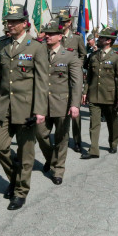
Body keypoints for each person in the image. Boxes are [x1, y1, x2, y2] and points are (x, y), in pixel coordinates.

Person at [0, 1, 48, 211]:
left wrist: (40, 110)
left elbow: (42, 81)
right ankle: (14, 178)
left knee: (26, 154)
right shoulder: (4, 44)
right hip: (4, 105)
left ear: (25, 23)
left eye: (14, 21)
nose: (10, 25)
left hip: (27, 109)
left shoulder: (36, 47)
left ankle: (21, 191)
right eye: (8, 21)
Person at [35, 18, 82, 185]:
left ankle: (58, 170)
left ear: (60, 36)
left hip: (62, 104)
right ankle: (51, 158)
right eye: (46, 34)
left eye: (51, 34)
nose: (47, 36)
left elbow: (76, 82)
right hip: (42, 103)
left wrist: (75, 104)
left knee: (62, 138)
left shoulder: (70, 55)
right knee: (41, 134)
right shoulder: (39, 53)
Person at [81, 26, 118, 158]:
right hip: (94, 95)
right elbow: (89, 76)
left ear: (108, 41)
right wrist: (85, 92)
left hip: (110, 96)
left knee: (112, 122)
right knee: (94, 124)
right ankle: (93, 150)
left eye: (101, 38)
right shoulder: (94, 56)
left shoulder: (117, 57)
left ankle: (113, 143)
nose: (98, 39)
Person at [57, 9, 86, 153]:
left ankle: (77, 140)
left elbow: (83, 54)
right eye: (60, 21)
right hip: (59, 77)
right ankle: (61, 138)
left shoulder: (77, 37)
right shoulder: (56, 36)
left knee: (75, 111)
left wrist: (77, 66)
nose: (61, 24)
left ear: (69, 22)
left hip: (73, 77)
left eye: (64, 21)